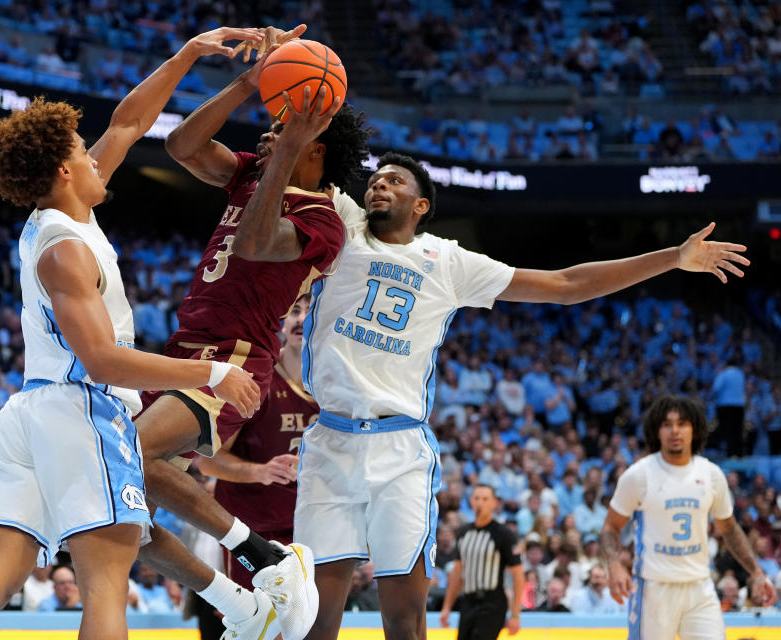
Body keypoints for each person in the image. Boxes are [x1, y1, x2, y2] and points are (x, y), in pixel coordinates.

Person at [299, 151, 750, 640]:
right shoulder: (340, 219)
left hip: (399, 444)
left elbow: (565, 284)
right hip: (332, 438)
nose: (378, 186)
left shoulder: (448, 260)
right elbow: (295, 160)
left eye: (394, 181)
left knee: (405, 621)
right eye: (374, 180)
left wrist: (674, 258)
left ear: (421, 204)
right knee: (317, 617)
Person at [0, 27, 276, 640]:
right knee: (107, 585)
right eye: (83, 153)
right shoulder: (64, 249)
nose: (97, 155)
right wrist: (211, 371)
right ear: (65, 170)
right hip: (82, 409)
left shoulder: (60, 214)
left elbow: (129, 122)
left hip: (31, 416)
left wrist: (195, 56)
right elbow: (104, 361)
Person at [136, 24, 369, 640]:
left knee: (129, 457)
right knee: (118, 507)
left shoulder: (322, 221)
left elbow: (256, 241)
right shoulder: (251, 176)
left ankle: (263, 556)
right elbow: (183, 145)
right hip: (182, 354)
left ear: (314, 147)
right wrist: (250, 80)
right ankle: (244, 605)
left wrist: (286, 148)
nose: (266, 134)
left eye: (278, 128)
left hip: (234, 362)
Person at [600, 395, 777, 640]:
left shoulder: (712, 475)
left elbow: (729, 529)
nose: (675, 431)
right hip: (654, 589)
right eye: (667, 424)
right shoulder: (638, 476)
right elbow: (611, 526)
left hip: (699, 588)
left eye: (682, 423)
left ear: (694, 429)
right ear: (657, 431)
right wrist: (614, 564)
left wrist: (756, 571)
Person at [198, 296, 317, 589]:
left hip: (315, 527)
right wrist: (260, 472)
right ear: (284, 323)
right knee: (262, 626)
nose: (300, 319)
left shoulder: (339, 385)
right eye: (294, 311)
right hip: (254, 530)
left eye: (311, 310)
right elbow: (209, 461)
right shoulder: (256, 378)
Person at [439, 485, 524, 640]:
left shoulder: (504, 534)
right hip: (468, 601)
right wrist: (446, 607)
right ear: (471, 501)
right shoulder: (463, 533)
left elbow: (518, 576)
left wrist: (515, 614)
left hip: (492, 602)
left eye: (485, 499)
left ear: (494, 503)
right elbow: (457, 573)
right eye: (476, 498)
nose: (480, 503)